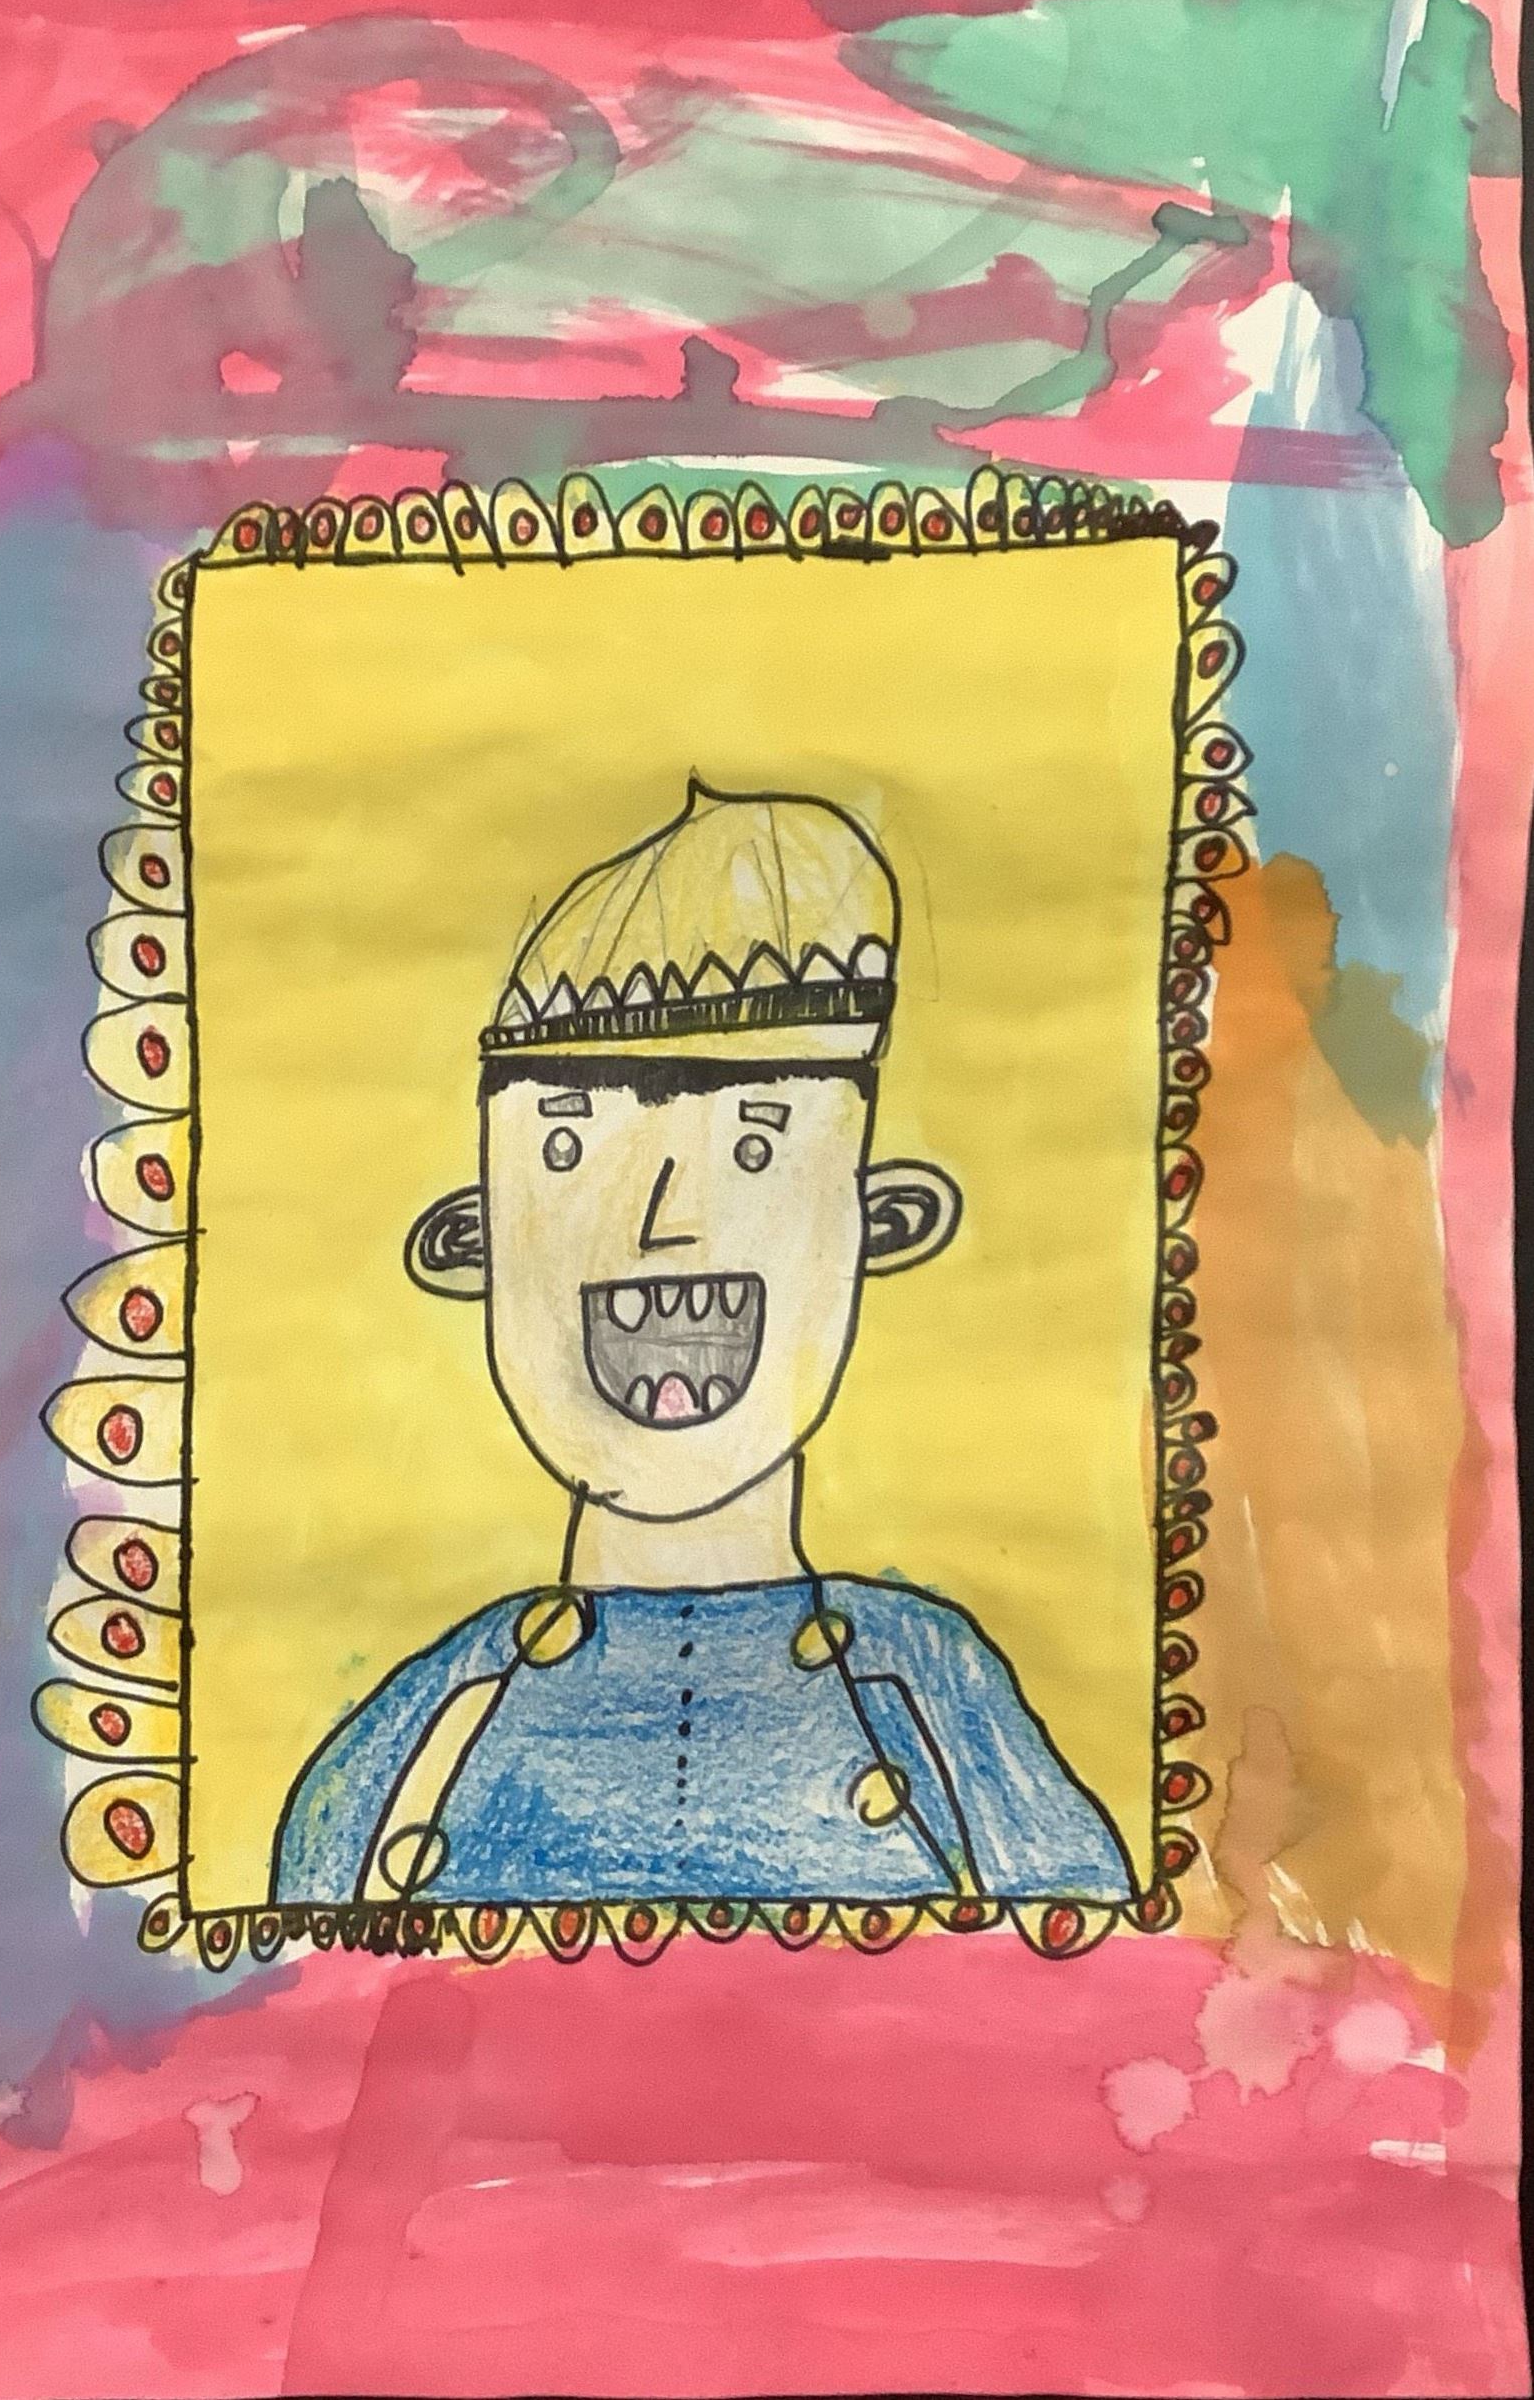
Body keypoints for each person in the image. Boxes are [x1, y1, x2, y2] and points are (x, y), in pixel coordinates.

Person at [274, 779, 1133, 1915]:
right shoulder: (409, 1744)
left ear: (871, 1225)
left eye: (756, 1146)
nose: (664, 1220)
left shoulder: (935, 1696)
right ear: (477, 1241)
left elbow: (1095, 1980)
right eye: (570, 1150)